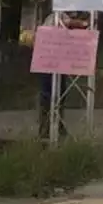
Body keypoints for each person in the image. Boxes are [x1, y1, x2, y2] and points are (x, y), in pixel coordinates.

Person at [37, 12, 89, 140]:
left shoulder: (60, 16)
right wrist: (84, 24)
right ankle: (47, 129)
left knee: (59, 96)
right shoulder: (57, 15)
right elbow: (67, 23)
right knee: (50, 96)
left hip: (57, 61)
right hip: (49, 61)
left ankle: (56, 126)